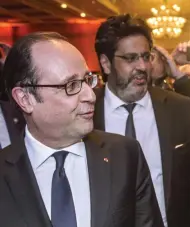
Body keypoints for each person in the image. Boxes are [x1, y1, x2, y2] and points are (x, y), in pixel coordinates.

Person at [0, 32, 163, 227]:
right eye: (71, 85)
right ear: (25, 99)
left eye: (87, 80)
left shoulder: (125, 155)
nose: (90, 96)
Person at [93, 14, 190, 227]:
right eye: (130, 58)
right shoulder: (86, 111)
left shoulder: (180, 108)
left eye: (146, 57)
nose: (142, 67)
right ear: (106, 63)